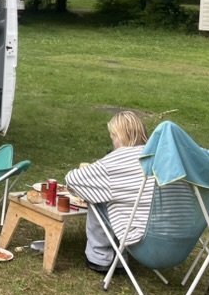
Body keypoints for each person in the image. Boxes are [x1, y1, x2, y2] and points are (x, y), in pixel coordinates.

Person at [65, 111, 155, 274]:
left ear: (117, 136)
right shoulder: (159, 157)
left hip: (135, 237)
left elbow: (73, 179)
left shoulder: (117, 159)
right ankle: (118, 257)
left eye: (112, 136)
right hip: (164, 236)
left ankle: (101, 257)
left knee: (98, 195)